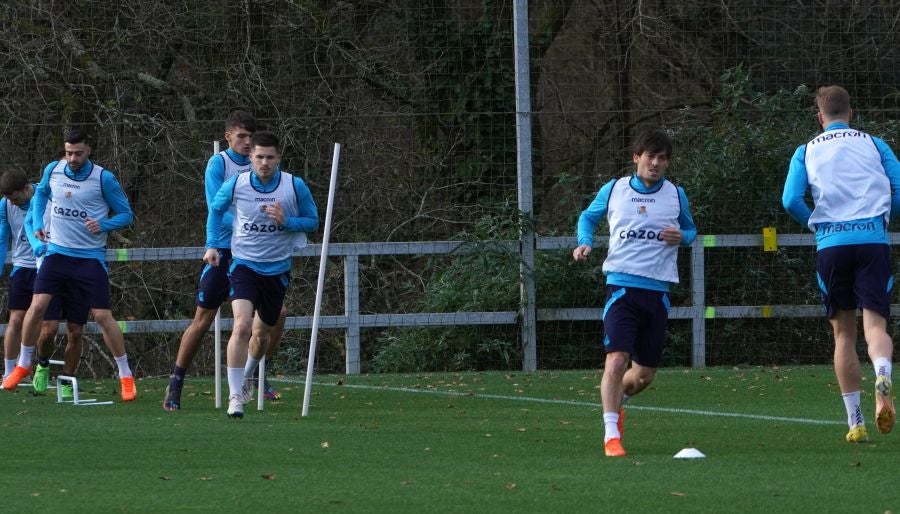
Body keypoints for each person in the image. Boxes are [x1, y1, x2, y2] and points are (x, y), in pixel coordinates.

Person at [782, 85, 900, 443]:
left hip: (832, 245)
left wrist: (816, 224)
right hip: (872, 241)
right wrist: (883, 220)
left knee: (843, 333)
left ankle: (856, 422)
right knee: (874, 325)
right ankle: (882, 371)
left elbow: (790, 200)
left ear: (820, 118)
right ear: (851, 113)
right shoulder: (875, 144)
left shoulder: (806, 150)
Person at [573, 128, 697, 457]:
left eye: (662, 158)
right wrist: (584, 241)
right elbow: (587, 217)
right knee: (616, 359)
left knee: (643, 376)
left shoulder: (675, 194)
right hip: (622, 287)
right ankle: (611, 435)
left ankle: (618, 403)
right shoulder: (614, 190)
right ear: (636, 158)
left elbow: (691, 231)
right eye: (650, 156)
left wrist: (681, 237)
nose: (655, 163)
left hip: (657, 293)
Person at [162, 110, 288, 412]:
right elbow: (215, 206)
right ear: (228, 136)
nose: (246, 143)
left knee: (278, 314)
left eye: (250, 137)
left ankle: (256, 372)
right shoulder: (219, 164)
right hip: (224, 249)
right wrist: (245, 223)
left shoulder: (264, 167)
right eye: (240, 136)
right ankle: (176, 382)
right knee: (203, 319)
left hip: (256, 252)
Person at [0, 128, 137, 402]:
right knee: (37, 307)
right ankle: (24, 363)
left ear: (89, 151)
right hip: (57, 255)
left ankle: (126, 376)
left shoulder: (103, 179)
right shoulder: (54, 170)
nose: (72, 158)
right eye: (68, 152)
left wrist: (104, 224)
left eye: (78, 153)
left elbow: (126, 214)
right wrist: (38, 224)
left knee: (101, 317)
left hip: (89, 258)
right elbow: (40, 197)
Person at [205, 130, 318, 418]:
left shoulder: (294, 186)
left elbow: (314, 221)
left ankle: (247, 377)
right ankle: (235, 397)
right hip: (243, 264)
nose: (264, 162)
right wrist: (212, 244)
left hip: (277, 268)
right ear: (250, 158)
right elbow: (215, 210)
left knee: (262, 334)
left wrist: (287, 221)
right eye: (258, 157)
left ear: (278, 157)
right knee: (241, 326)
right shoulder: (236, 184)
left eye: (269, 157)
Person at [0, 169, 83, 400]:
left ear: (26, 188)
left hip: (48, 267)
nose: (12, 203)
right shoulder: (5, 206)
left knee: (49, 327)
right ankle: (10, 372)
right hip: (22, 266)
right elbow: (2, 236)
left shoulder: (46, 197)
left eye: (15, 198)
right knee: (15, 318)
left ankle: (41, 365)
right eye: (8, 200)